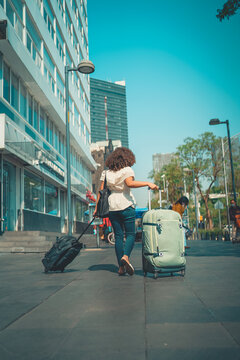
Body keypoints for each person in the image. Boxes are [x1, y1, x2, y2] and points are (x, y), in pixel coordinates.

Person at [93, 147, 159, 276]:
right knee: (130, 234)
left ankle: (121, 268)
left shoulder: (106, 173)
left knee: (118, 236)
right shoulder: (127, 170)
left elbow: (100, 192)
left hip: (112, 207)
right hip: (126, 204)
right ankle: (126, 257)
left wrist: (96, 208)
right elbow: (130, 183)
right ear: (128, 158)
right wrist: (147, 183)